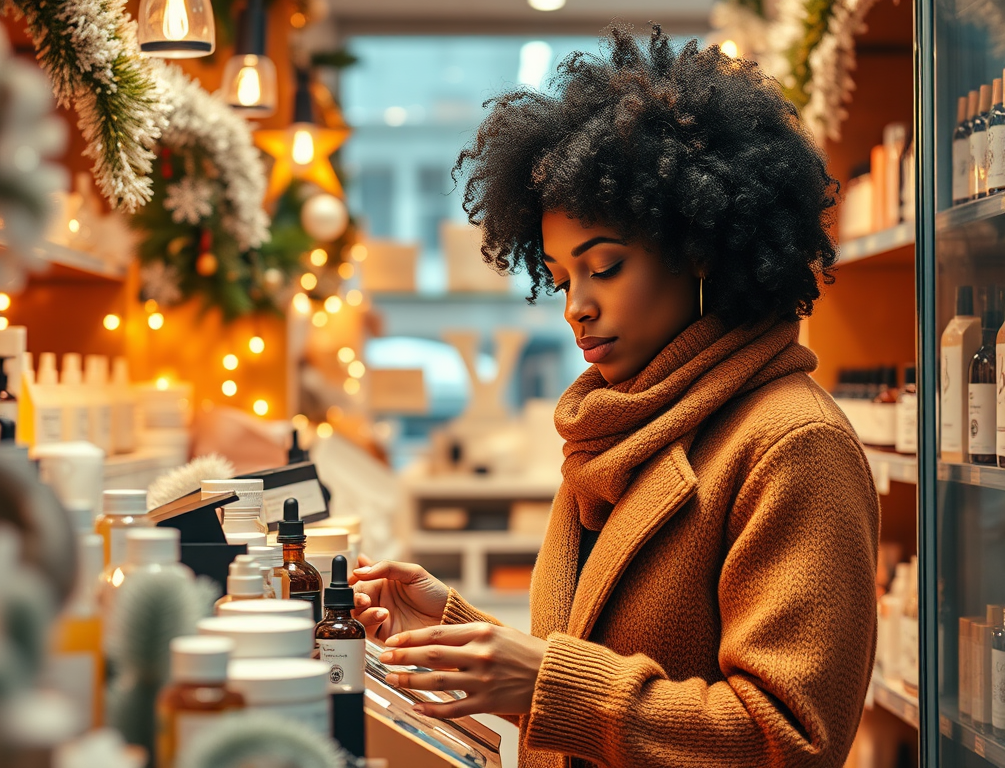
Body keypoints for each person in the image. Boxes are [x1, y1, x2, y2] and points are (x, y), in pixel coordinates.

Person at [351, 25, 879, 768]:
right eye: (563, 278)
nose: (576, 307)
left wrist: (538, 679)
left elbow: (787, 739)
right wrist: (455, 630)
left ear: (698, 247)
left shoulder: (793, 444)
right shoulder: (618, 423)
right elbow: (598, 660)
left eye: (605, 267)